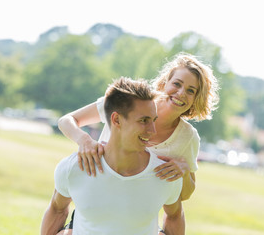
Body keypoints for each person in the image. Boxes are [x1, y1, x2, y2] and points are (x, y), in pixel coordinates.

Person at [58, 52, 219, 198]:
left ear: (196, 98)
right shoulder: (127, 101)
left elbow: (184, 196)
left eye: (191, 91)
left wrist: (183, 173)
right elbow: (66, 120)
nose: (182, 93)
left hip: (140, 215)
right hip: (96, 200)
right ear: (165, 82)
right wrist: (84, 140)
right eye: (177, 84)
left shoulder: (188, 137)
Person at [41, 77, 184, 235]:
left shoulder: (164, 174)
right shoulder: (74, 167)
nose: (152, 130)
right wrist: (83, 139)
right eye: (144, 121)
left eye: (153, 120)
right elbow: (57, 209)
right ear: (116, 120)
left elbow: (175, 216)